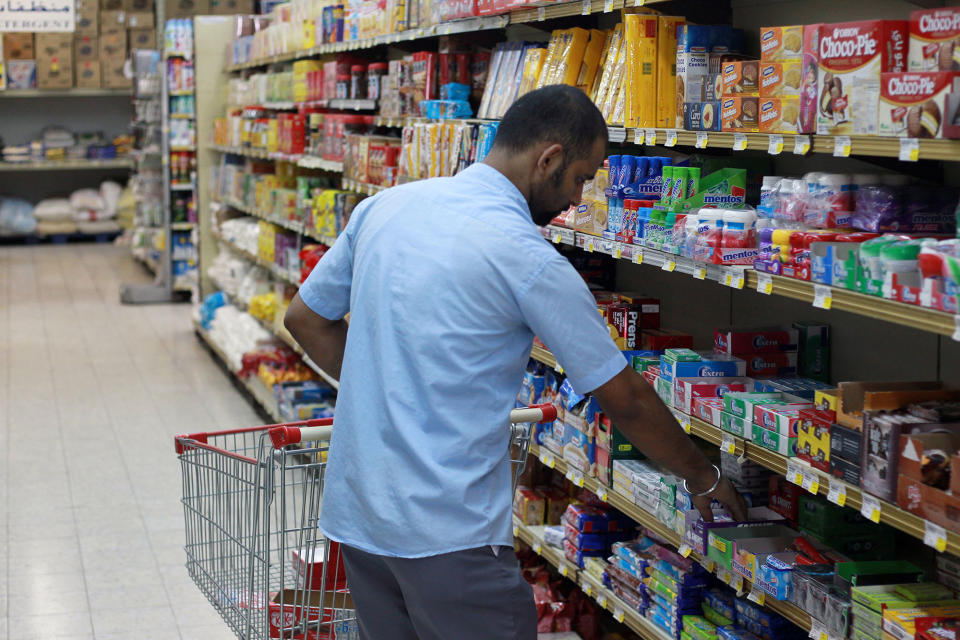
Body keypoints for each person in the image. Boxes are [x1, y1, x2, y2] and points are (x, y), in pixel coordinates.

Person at [284, 84, 747, 640]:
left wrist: (381, 384)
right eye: (580, 177)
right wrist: (701, 476)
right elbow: (623, 396)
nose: (578, 199)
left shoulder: (385, 208)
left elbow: (305, 319)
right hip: (446, 534)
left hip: (357, 518)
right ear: (548, 158)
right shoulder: (527, 257)